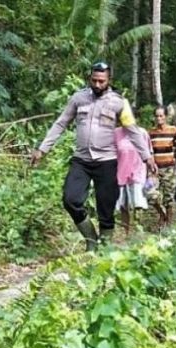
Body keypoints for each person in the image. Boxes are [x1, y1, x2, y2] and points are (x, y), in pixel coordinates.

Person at [31, 62, 156, 250]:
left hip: (107, 161)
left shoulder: (119, 102)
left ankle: (104, 249)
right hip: (81, 160)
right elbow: (61, 123)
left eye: (101, 81)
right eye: (94, 80)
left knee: (106, 208)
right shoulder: (78, 98)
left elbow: (132, 131)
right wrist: (42, 148)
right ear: (89, 78)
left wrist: (147, 157)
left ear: (109, 80)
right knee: (70, 200)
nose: (97, 85)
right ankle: (91, 239)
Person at [148, 106, 176, 227]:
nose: (159, 118)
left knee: (169, 199)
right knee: (151, 194)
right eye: (157, 116)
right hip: (154, 170)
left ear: (165, 117)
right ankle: (162, 214)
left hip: (169, 169)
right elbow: (148, 151)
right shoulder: (150, 133)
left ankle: (169, 224)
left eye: (161, 115)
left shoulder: (172, 130)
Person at [114, 126, 151, 235]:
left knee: (138, 204)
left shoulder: (142, 132)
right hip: (120, 173)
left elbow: (149, 153)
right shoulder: (116, 133)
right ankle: (127, 233)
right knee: (123, 205)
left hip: (138, 173)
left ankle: (138, 231)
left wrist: (151, 170)